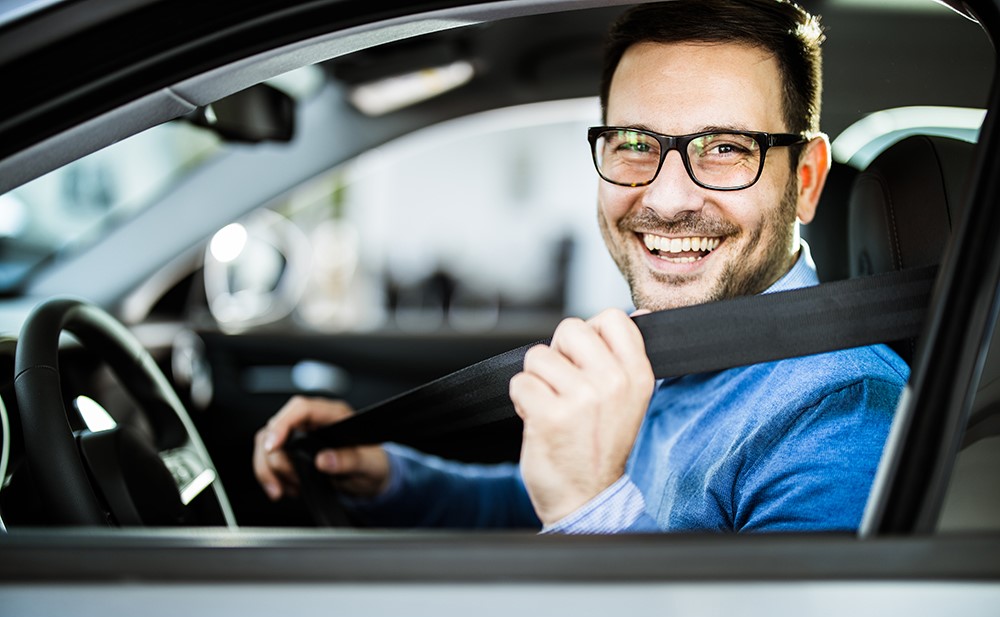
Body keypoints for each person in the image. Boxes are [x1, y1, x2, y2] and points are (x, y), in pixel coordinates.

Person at [253, 0, 909, 533]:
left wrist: (592, 507)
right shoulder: (674, 344)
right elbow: (537, 498)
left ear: (807, 180)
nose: (667, 197)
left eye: (726, 149)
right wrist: (388, 476)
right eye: (633, 143)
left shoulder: (842, 410)